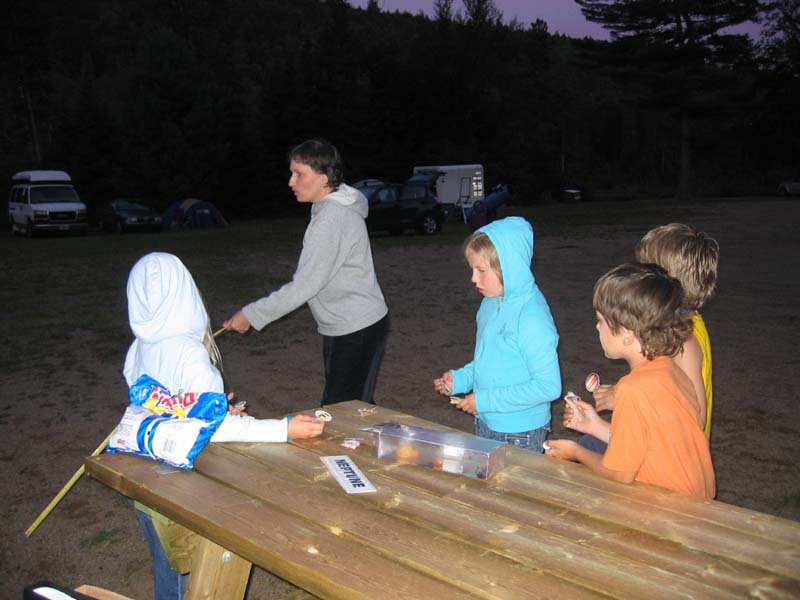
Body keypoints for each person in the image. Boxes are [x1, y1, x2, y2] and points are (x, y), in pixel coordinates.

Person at [124, 252, 324, 599]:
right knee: (190, 580)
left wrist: (215, 407)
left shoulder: (139, 347)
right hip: (184, 487)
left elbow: (164, 403)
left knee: (167, 572)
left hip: (148, 480)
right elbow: (218, 429)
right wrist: (283, 428)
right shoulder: (189, 354)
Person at [224, 138, 389, 406]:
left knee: (341, 411)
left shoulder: (331, 218)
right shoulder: (329, 208)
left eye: (299, 174)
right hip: (348, 324)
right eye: (291, 173)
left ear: (324, 178)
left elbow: (304, 286)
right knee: (353, 407)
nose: (291, 181)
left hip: (357, 327)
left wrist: (251, 315)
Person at [546, 263, 715, 499]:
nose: (597, 326)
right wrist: (594, 426)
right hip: (694, 500)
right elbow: (649, 445)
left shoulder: (632, 389)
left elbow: (620, 473)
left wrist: (576, 452)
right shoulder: (670, 371)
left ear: (626, 334)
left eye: (601, 320)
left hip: (667, 506)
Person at [433, 217, 561, 452]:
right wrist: (461, 379)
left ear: (508, 268)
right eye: (472, 269)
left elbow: (548, 386)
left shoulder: (532, 318)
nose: (473, 278)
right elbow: (490, 361)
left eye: (481, 270)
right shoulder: (490, 303)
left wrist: (484, 400)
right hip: (486, 420)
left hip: (520, 431)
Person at [589, 223, 719, 446]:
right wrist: (622, 393)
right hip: (658, 441)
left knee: (589, 448)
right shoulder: (674, 327)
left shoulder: (684, 340)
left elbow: (695, 416)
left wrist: (625, 401)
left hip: (673, 453)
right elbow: (662, 387)